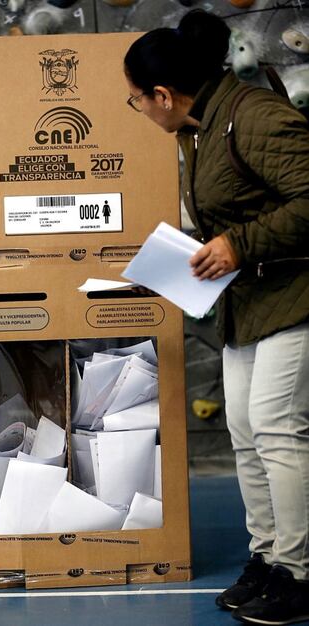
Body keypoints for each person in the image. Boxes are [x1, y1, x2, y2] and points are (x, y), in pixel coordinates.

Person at [124, 9, 309, 626]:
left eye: (136, 103)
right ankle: (270, 559)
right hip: (246, 303)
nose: (142, 114)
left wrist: (240, 243)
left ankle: (301, 573)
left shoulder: (253, 115)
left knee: (277, 429)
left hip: (294, 293)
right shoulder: (199, 128)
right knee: (245, 433)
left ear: (163, 95)